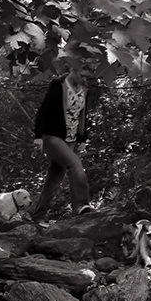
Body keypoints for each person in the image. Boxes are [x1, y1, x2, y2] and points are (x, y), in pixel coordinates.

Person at [32, 68, 92, 218]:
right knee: (75, 164)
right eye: (81, 75)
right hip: (51, 136)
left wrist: (82, 138)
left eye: (87, 76)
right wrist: (38, 136)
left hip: (70, 139)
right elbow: (43, 111)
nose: (84, 79)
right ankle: (81, 206)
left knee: (55, 177)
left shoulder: (84, 88)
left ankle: (39, 215)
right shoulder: (58, 86)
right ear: (73, 70)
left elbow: (83, 114)